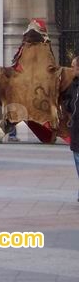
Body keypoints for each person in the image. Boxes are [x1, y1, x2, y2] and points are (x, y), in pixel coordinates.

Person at [64, 55, 79, 200]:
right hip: (76, 128)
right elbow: (67, 99)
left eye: (73, 66)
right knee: (77, 158)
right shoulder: (73, 84)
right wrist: (69, 106)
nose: (71, 69)